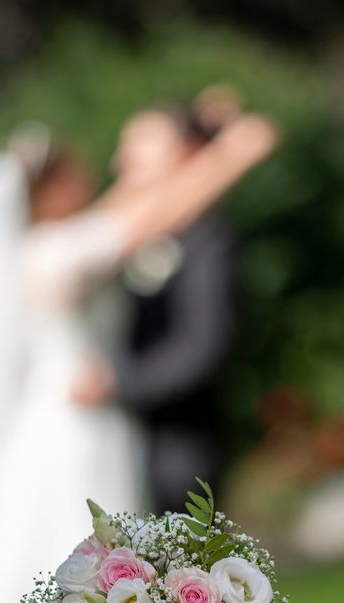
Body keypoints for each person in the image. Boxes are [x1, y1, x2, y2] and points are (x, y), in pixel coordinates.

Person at [0, 108, 277, 603]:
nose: (95, 177)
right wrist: (231, 154)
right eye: (75, 173)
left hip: (74, 413)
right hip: (73, 420)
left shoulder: (53, 241)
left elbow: (129, 206)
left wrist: (191, 138)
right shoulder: (58, 253)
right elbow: (155, 212)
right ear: (50, 191)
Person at [71, 100, 242, 514]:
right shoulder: (113, 233)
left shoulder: (206, 236)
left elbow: (205, 344)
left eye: (142, 143)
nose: (122, 159)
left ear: (187, 152)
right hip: (89, 434)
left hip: (173, 446)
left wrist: (119, 383)